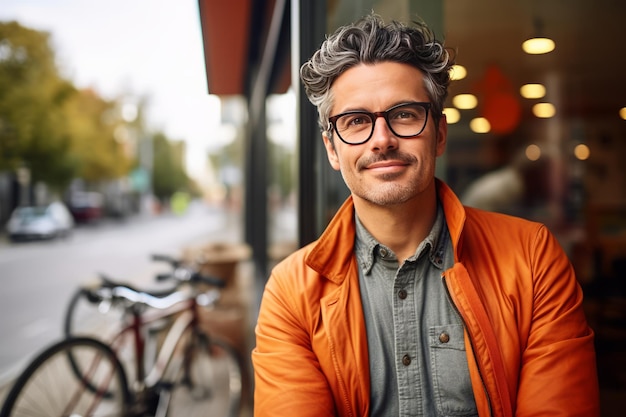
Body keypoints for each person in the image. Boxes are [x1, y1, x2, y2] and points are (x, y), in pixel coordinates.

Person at [251, 13, 599, 417]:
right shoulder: (291, 292)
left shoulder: (533, 257)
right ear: (332, 149)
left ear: (440, 134)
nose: (382, 140)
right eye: (356, 121)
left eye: (404, 114)